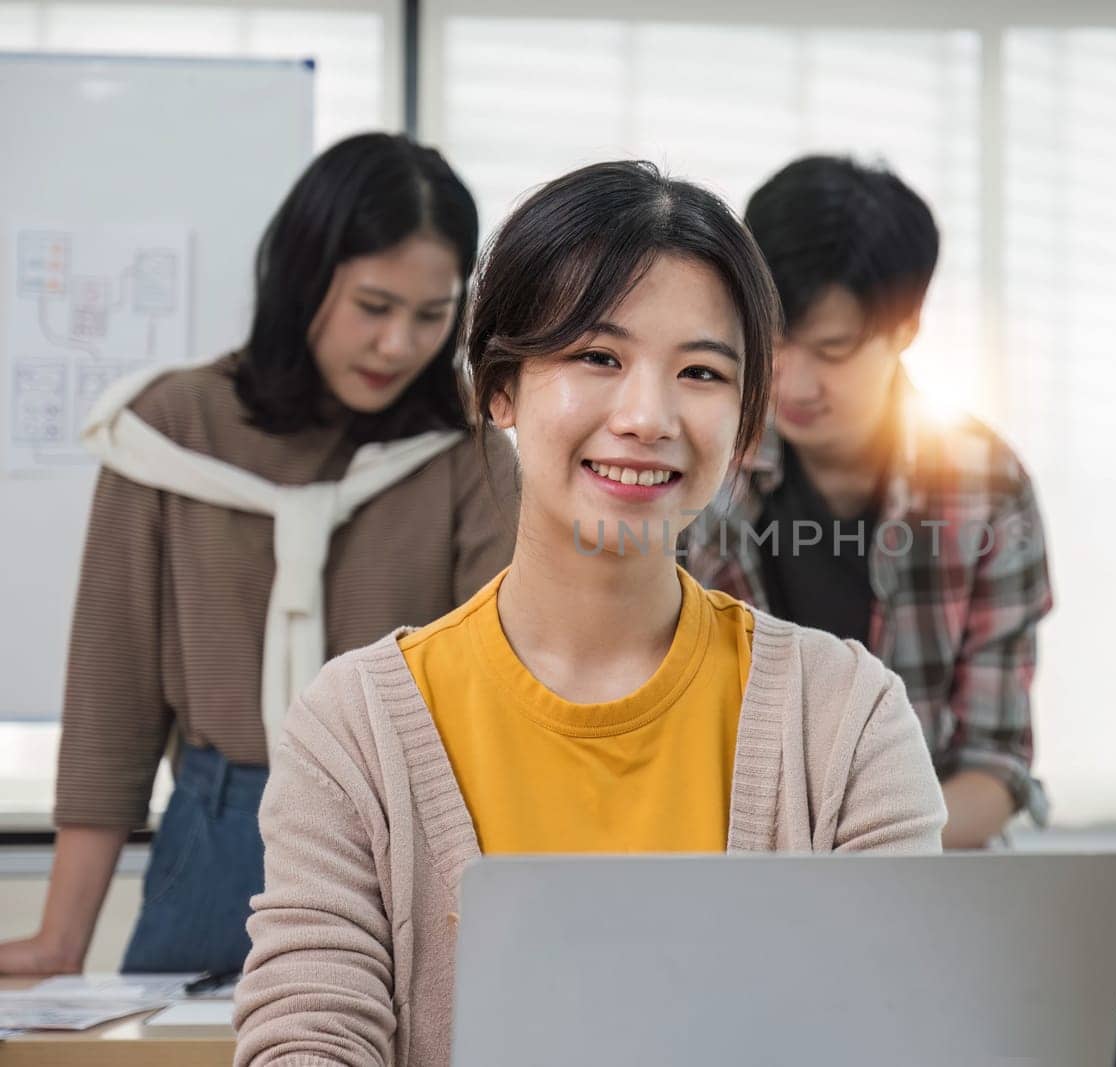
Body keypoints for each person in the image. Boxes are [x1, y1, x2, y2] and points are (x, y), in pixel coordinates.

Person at [231, 160, 946, 1066]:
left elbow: (905, 1037)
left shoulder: (845, 716)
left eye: (700, 370)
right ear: (499, 387)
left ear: (744, 423)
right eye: (596, 357)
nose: (646, 415)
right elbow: (306, 1039)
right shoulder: (354, 728)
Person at [0, 133, 516, 977]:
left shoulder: (466, 451)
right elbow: (113, 698)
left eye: (432, 315)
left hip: (410, 832)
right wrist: (61, 938)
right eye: (373, 306)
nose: (398, 345)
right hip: (215, 829)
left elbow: (497, 698)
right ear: (303, 280)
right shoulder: (165, 433)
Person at [687, 155, 1054, 848]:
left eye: (833, 347)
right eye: (775, 337)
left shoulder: (987, 488)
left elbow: (995, 762)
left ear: (906, 326)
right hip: (731, 869)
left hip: (923, 873)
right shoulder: (700, 466)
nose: (792, 378)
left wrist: (872, 861)